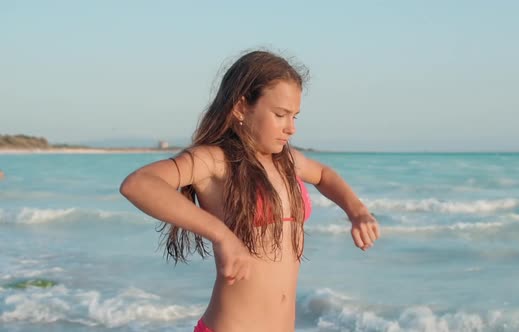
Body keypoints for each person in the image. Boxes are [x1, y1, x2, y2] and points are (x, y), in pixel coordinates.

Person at [119, 50, 380, 332]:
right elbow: (139, 184)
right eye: (280, 114)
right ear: (241, 107)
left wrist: (357, 212)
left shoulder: (288, 161)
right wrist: (222, 236)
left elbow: (325, 175)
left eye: (295, 116)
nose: (291, 128)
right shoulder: (216, 159)